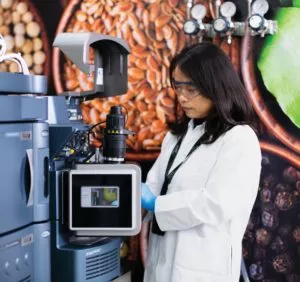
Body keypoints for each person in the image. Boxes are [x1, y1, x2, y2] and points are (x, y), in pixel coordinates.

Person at [141, 42, 262, 282]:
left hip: (203, 269)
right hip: (160, 265)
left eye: (191, 89)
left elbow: (217, 203)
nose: (182, 97)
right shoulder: (176, 136)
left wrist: (157, 205)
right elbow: (154, 185)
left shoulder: (239, 139)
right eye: (178, 87)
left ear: (215, 87)